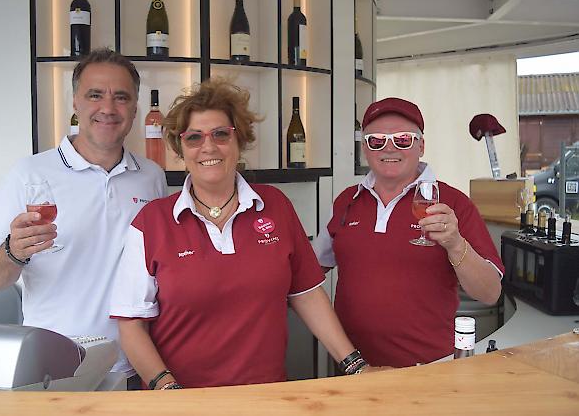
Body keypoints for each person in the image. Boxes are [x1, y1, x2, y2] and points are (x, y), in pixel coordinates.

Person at [109, 78, 366, 390]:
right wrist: (168, 390)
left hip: (265, 396)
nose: (208, 147)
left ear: (239, 140)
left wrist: (356, 365)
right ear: (180, 149)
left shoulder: (275, 205)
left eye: (220, 134)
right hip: (181, 403)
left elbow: (307, 294)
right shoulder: (151, 222)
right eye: (193, 138)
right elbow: (131, 323)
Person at [0, 48, 168, 386]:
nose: (108, 108)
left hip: (134, 369)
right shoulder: (30, 173)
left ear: (135, 108)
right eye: (95, 95)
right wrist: (13, 251)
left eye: (121, 97)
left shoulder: (151, 176)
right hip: (53, 371)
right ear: (76, 103)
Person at [313, 97, 504, 368]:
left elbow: (489, 293)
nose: (389, 147)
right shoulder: (347, 201)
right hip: (354, 368)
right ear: (365, 149)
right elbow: (311, 270)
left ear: (421, 146)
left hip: (427, 369)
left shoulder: (453, 202)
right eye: (376, 140)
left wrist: (456, 244)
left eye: (402, 139)